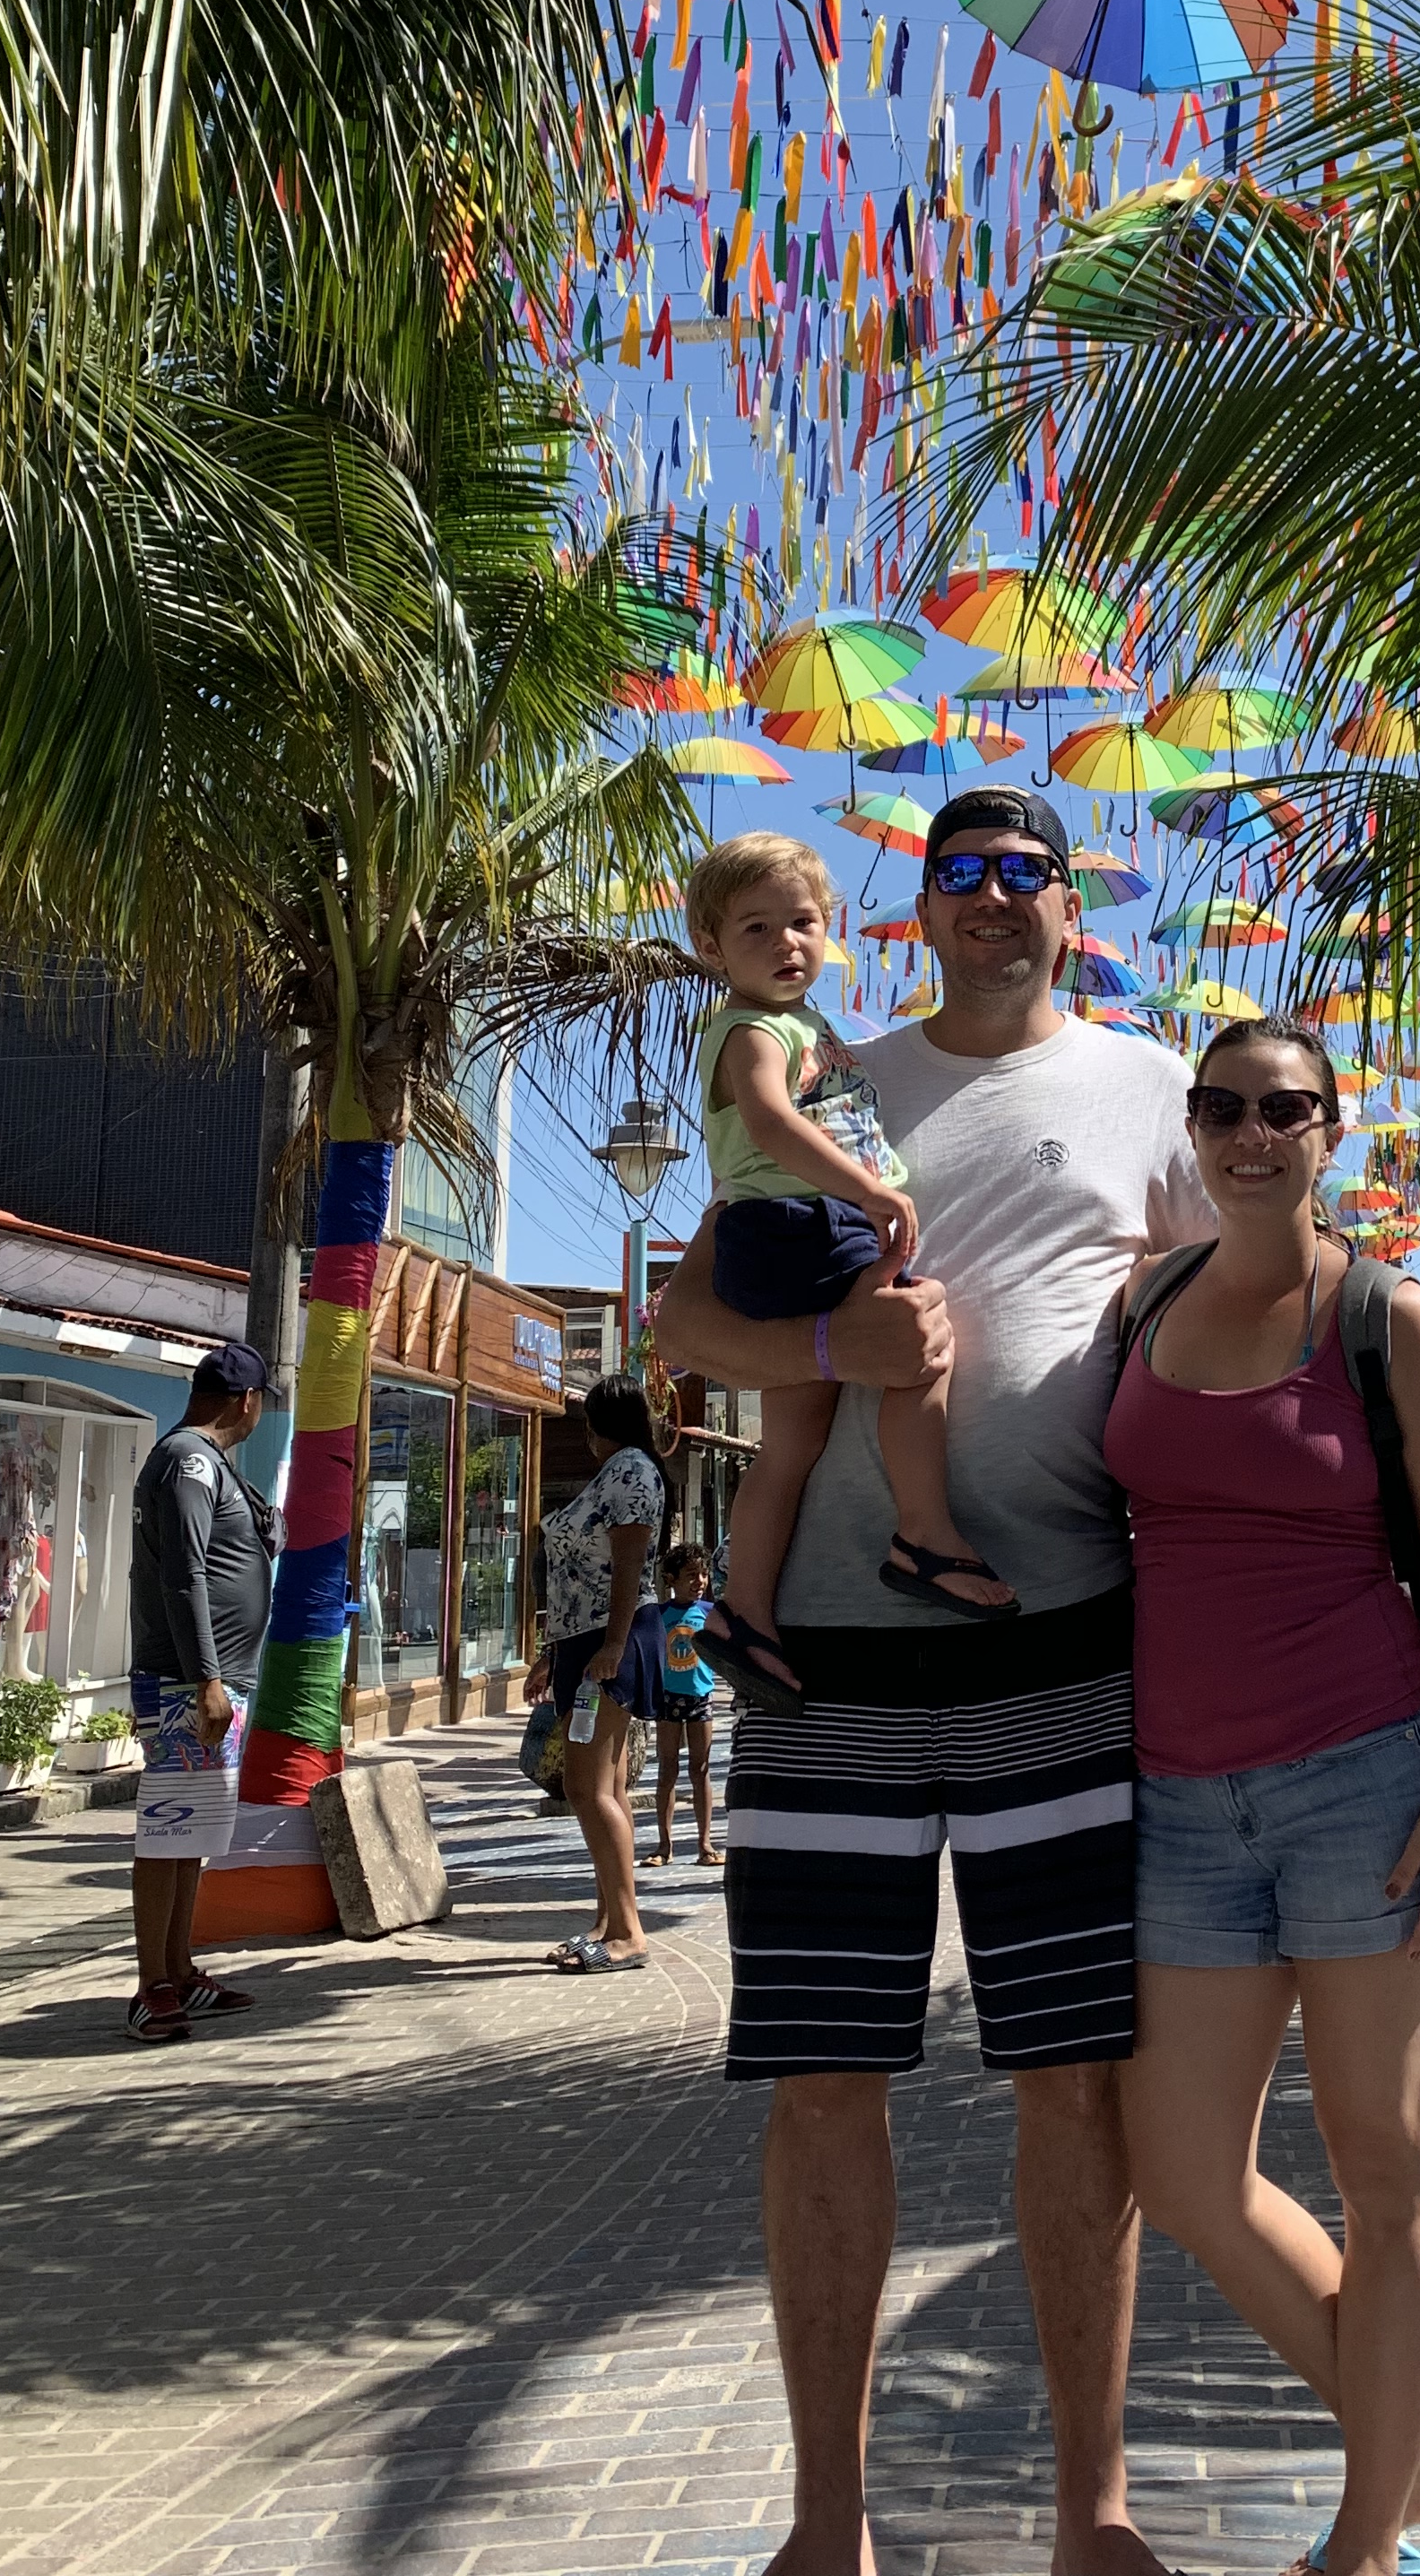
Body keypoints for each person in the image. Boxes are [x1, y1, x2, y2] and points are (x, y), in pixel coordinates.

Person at [655, 783, 1214, 2576]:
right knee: (827, 2083)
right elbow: (684, 1326)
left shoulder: (1147, 1085)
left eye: (1021, 872)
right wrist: (833, 1340)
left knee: (1076, 2081)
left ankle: (1093, 2516)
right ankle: (832, 2527)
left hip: (1071, 1641)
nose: (989, 898)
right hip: (833, 1662)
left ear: (1071, 904)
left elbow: (1232, 1305)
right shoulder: (834, 1065)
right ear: (916, 911)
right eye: (957, 874)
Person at [1105, 1019, 1420, 2576]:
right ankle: (1412, 2457)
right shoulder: (1141, 1303)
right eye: (1221, 1108)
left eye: (1283, 1109)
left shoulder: (1390, 1319)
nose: (1249, 1133)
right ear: (1192, 1128)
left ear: (1330, 1130)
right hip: (1176, 1805)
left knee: (1380, 2158)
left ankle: (1360, 2543)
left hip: (1365, 1784)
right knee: (1184, 2173)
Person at [684, 830, 1014, 1711]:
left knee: (790, 1445)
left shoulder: (803, 1025)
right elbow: (769, 1123)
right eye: (756, 929)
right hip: (803, 1226)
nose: (786, 943)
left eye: (802, 923)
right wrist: (869, 1190)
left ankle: (742, 1612)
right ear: (709, 948)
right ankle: (924, 1531)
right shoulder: (751, 1031)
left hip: (798, 1225)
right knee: (918, 1347)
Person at [126, 1337, 281, 2044]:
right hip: (187, 1684)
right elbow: (183, 1574)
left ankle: (180, 1968)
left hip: (214, 1682)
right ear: (246, 1402)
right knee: (168, 1833)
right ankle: (151, 1983)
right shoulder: (189, 1461)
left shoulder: (209, 1462)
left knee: (191, 1833)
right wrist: (207, 1679)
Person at [523, 1375, 675, 1970]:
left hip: (606, 1644)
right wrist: (551, 1652)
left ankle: (628, 1931)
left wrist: (610, 1645)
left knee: (586, 1788)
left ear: (599, 1422)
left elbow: (629, 1566)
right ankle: (611, 1916)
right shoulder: (618, 1471)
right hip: (580, 1643)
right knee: (605, 1788)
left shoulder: (632, 1471)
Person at [654, 1540, 723, 1867]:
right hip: (668, 1699)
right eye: (691, 1575)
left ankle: (705, 1844)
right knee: (667, 1769)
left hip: (701, 1697)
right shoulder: (659, 1616)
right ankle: (664, 1845)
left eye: (703, 1574)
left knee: (701, 1769)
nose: (699, 1581)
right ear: (671, 1579)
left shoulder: (711, 1613)